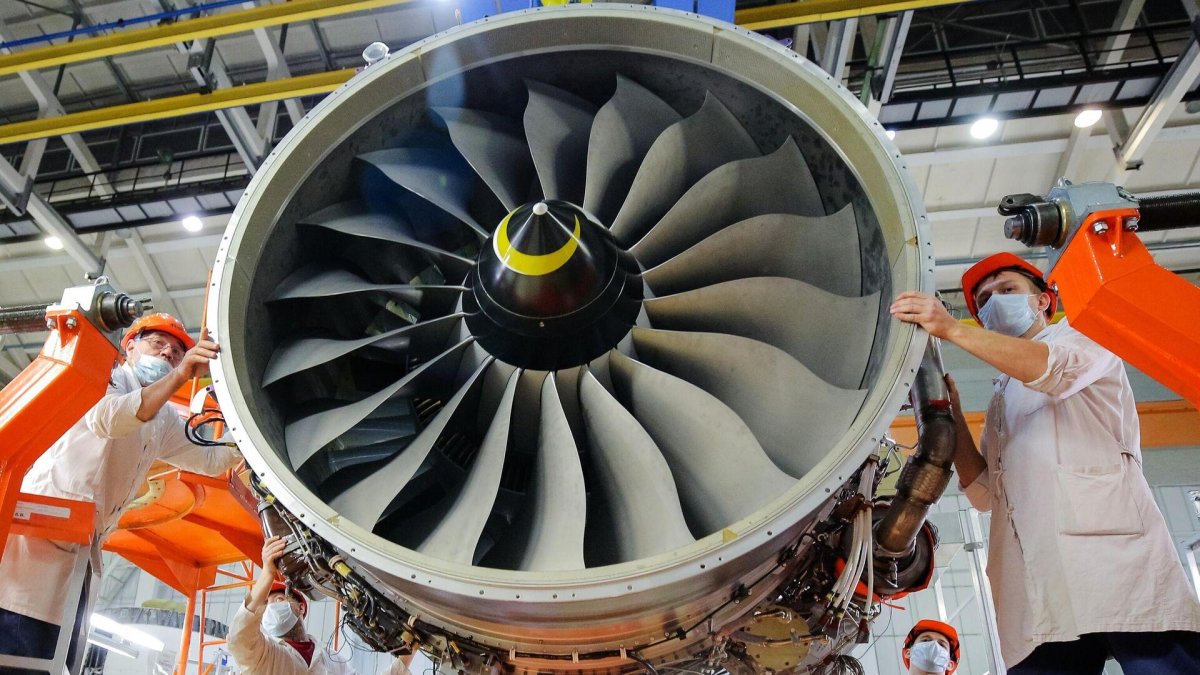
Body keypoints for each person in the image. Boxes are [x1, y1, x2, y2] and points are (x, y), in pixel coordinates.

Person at [890, 252, 1200, 674]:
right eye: (984, 300)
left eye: (1007, 289)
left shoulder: (1083, 335)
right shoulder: (1002, 399)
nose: (994, 301)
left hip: (1110, 556)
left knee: (1159, 663)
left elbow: (1054, 370)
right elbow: (984, 494)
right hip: (1035, 584)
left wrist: (950, 329)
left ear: (1043, 301)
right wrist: (954, 415)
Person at [0, 313, 242, 672]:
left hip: (79, 556)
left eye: (177, 352)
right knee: (17, 651)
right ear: (129, 346)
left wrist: (247, 431)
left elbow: (208, 460)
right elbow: (111, 420)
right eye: (158, 344)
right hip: (36, 546)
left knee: (49, 660)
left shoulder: (162, 417)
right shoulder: (105, 378)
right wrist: (179, 375)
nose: (168, 354)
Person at [229, 536, 410, 675]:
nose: (271, 608)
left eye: (279, 599)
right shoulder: (267, 655)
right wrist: (268, 572)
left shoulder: (332, 659)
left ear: (301, 607)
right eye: (266, 604)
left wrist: (408, 648)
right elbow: (239, 638)